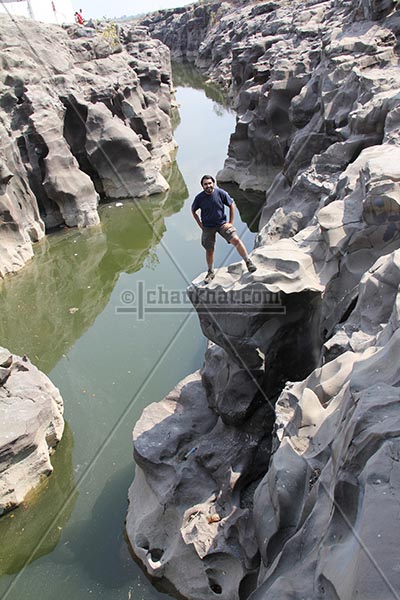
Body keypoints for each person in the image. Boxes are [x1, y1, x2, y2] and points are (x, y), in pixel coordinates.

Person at [192, 175, 257, 284]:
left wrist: (230, 223)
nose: (208, 185)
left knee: (236, 240)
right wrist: (201, 226)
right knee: (209, 249)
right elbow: (193, 211)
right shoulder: (199, 198)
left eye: (209, 183)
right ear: (202, 186)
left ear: (213, 183)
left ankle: (248, 262)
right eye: (205, 184)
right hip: (208, 227)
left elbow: (231, 205)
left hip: (222, 224)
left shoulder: (220, 193)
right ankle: (210, 271)